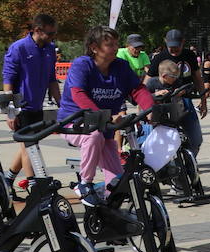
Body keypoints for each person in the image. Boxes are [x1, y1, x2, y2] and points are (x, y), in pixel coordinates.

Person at [58, 26, 157, 201]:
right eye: (109, 44)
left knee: (118, 184)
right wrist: (104, 116)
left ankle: (111, 211)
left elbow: (137, 89)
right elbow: (78, 94)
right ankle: (85, 182)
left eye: (116, 44)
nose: (115, 48)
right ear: (94, 47)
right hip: (75, 123)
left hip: (106, 129)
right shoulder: (82, 65)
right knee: (94, 136)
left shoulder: (121, 66)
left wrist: (151, 109)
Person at [2, 14, 61, 191]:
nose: (53, 37)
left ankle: (8, 178)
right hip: (21, 106)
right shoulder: (18, 48)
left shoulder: (50, 49)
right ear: (37, 30)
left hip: (37, 106)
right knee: (30, 146)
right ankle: (34, 185)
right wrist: (10, 111)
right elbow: (8, 79)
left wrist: (63, 105)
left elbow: (52, 79)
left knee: (28, 145)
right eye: (50, 34)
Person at [147, 29, 207, 168]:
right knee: (160, 142)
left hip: (184, 102)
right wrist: (146, 109)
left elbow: (198, 78)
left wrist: (203, 101)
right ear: (165, 42)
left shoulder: (189, 55)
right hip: (164, 105)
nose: (174, 50)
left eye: (177, 46)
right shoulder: (159, 58)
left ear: (183, 42)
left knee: (195, 139)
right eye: (171, 46)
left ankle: (188, 164)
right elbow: (145, 86)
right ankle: (169, 168)